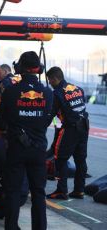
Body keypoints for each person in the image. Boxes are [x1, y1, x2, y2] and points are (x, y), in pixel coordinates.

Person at [0, 51, 53, 230]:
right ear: (39, 69)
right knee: (38, 193)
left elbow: (1, 122)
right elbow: (47, 120)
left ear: (19, 68)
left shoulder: (10, 91)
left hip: (16, 149)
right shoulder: (48, 93)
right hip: (38, 150)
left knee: (12, 191)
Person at [46, 66, 89, 200]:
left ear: (55, 78)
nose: (49, 83)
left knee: (60, 159)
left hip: (71, 129)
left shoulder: (57, 93)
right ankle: (79, 190)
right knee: (80, 160)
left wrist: (40, 126)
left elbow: (51, 114)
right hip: (84, 126)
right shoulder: (77, 89)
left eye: (50, 80)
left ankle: (61, 191)